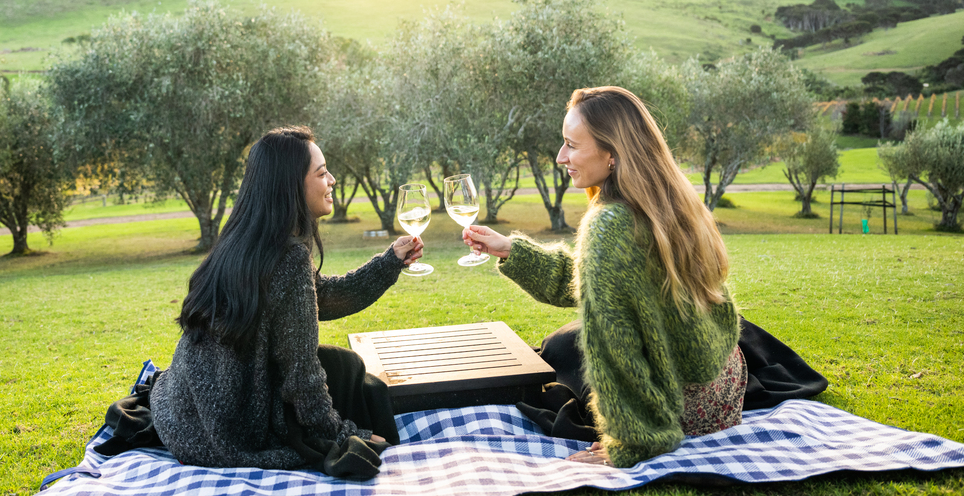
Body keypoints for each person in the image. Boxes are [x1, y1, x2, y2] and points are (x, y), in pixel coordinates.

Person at [462, 87, 745, 469]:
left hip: (677, 408)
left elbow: (614, 343)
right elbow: (597, 284)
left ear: (612, 153)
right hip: (725, 387)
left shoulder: (609, 222)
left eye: (571, 145)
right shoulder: (668, 199)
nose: (561, 157)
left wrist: (632, 441)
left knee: (562, 351)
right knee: (563, 344)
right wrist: (513, 251)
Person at [147, 126, 423, 474]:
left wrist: (389, 262)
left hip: (188, 415)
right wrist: (344, 435)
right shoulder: (287, 257)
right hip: (234, 427)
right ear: (290, 184)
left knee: (343, 365)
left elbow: (322, 297)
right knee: (353, 376)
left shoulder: (244, 239)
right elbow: (302, 379)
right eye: (322, 173)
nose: (333, 180)